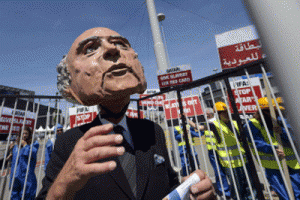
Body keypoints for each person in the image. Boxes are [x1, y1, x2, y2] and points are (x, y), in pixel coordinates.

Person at [36, 27, 215, 200]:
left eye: (121, 44)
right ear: (70, 87)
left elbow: (169, 187)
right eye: (90, 49)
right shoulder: (68, 143)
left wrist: (192, 192)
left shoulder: (153, 131)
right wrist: (64, 183)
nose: (112, 49)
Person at [244, 97, 300, 200]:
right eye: (270, 111)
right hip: (273, 167)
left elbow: (294, 139)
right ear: (263, 112)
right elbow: (257, 143)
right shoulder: (252, 124)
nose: (274, 114)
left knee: (298, 193)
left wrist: (283, 131)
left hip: (292, 164)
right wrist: (273, 149)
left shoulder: (279, 121)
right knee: (285, 196)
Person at [208, 102, 256, 200]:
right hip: (229, 162)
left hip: (242, 159)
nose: (226, 114)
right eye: (223, 112)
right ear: (218, 114)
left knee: (250, 183)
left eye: (226, 112)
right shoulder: (214, 125)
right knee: (237, 186)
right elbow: (200, 127)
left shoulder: (235, 123)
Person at [189, 108, 231, 199]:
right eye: (205, 113)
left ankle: (226, 190)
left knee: (224, 171)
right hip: (212, 151)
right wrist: (187, 120)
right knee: (219, 172)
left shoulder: (214, 122)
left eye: (207, 113)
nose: (206, 115)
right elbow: (197, 127)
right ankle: (224, 190)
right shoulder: (207, 123)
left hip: (220, 150)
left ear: (211, 114)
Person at [7, 126, 39, 200]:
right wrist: (11, 154)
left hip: (27, 177)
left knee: (27, 195)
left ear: (29, 134)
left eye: (26, 133)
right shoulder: (16, 146)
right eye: (23, 133)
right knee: (14, 195)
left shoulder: (33, 144)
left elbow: (32, 153)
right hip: (15, 176)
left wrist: (25, 145)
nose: (24, 135)